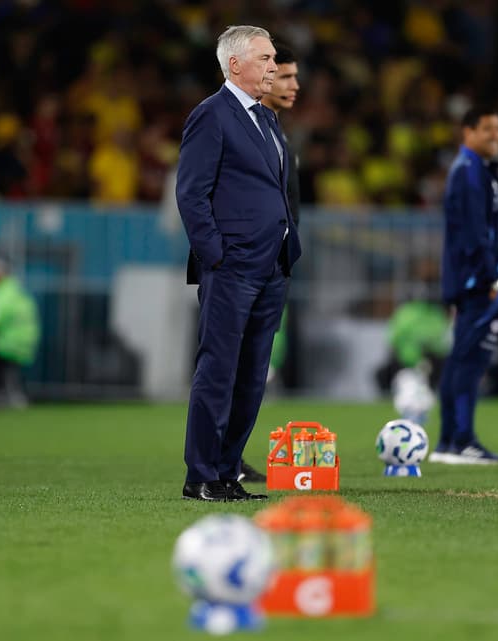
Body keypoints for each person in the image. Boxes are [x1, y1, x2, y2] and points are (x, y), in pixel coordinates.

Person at [176, 25, 301, 501]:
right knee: (220, 368)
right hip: (233, 267)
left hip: (271, 266)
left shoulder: (265, 119)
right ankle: (201, 475)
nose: (274, 66)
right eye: (266, 58)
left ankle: (228, 472)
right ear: (236, 65)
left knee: (252, 374)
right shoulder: (212, 116)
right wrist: (217, 255)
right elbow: (191, 193)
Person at [431, 106, 498, 465]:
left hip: (479, 282)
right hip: (480, 284)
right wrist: (492, 277)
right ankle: (460, 441)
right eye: (487, 129)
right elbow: (474, 234)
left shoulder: (478, 171)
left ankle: (451, 441)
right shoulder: (469, 173)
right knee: (469, 363)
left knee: (463, 360)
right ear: (468, 132)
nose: (496, 136)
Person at [236, 42, 302, 483]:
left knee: (253, 367)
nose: (292, 84)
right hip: (242, 265)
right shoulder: (242, 128)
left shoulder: (276, 132)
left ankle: (232, 456)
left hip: (273, 264)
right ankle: (221, 460)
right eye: (284, 75)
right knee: (232, 362)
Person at [0, 256, 40, 409]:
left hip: (7, 345)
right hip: (25, 345)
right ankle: (12, 395)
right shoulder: (17, 291)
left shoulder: (1, 294)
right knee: (7, 372)